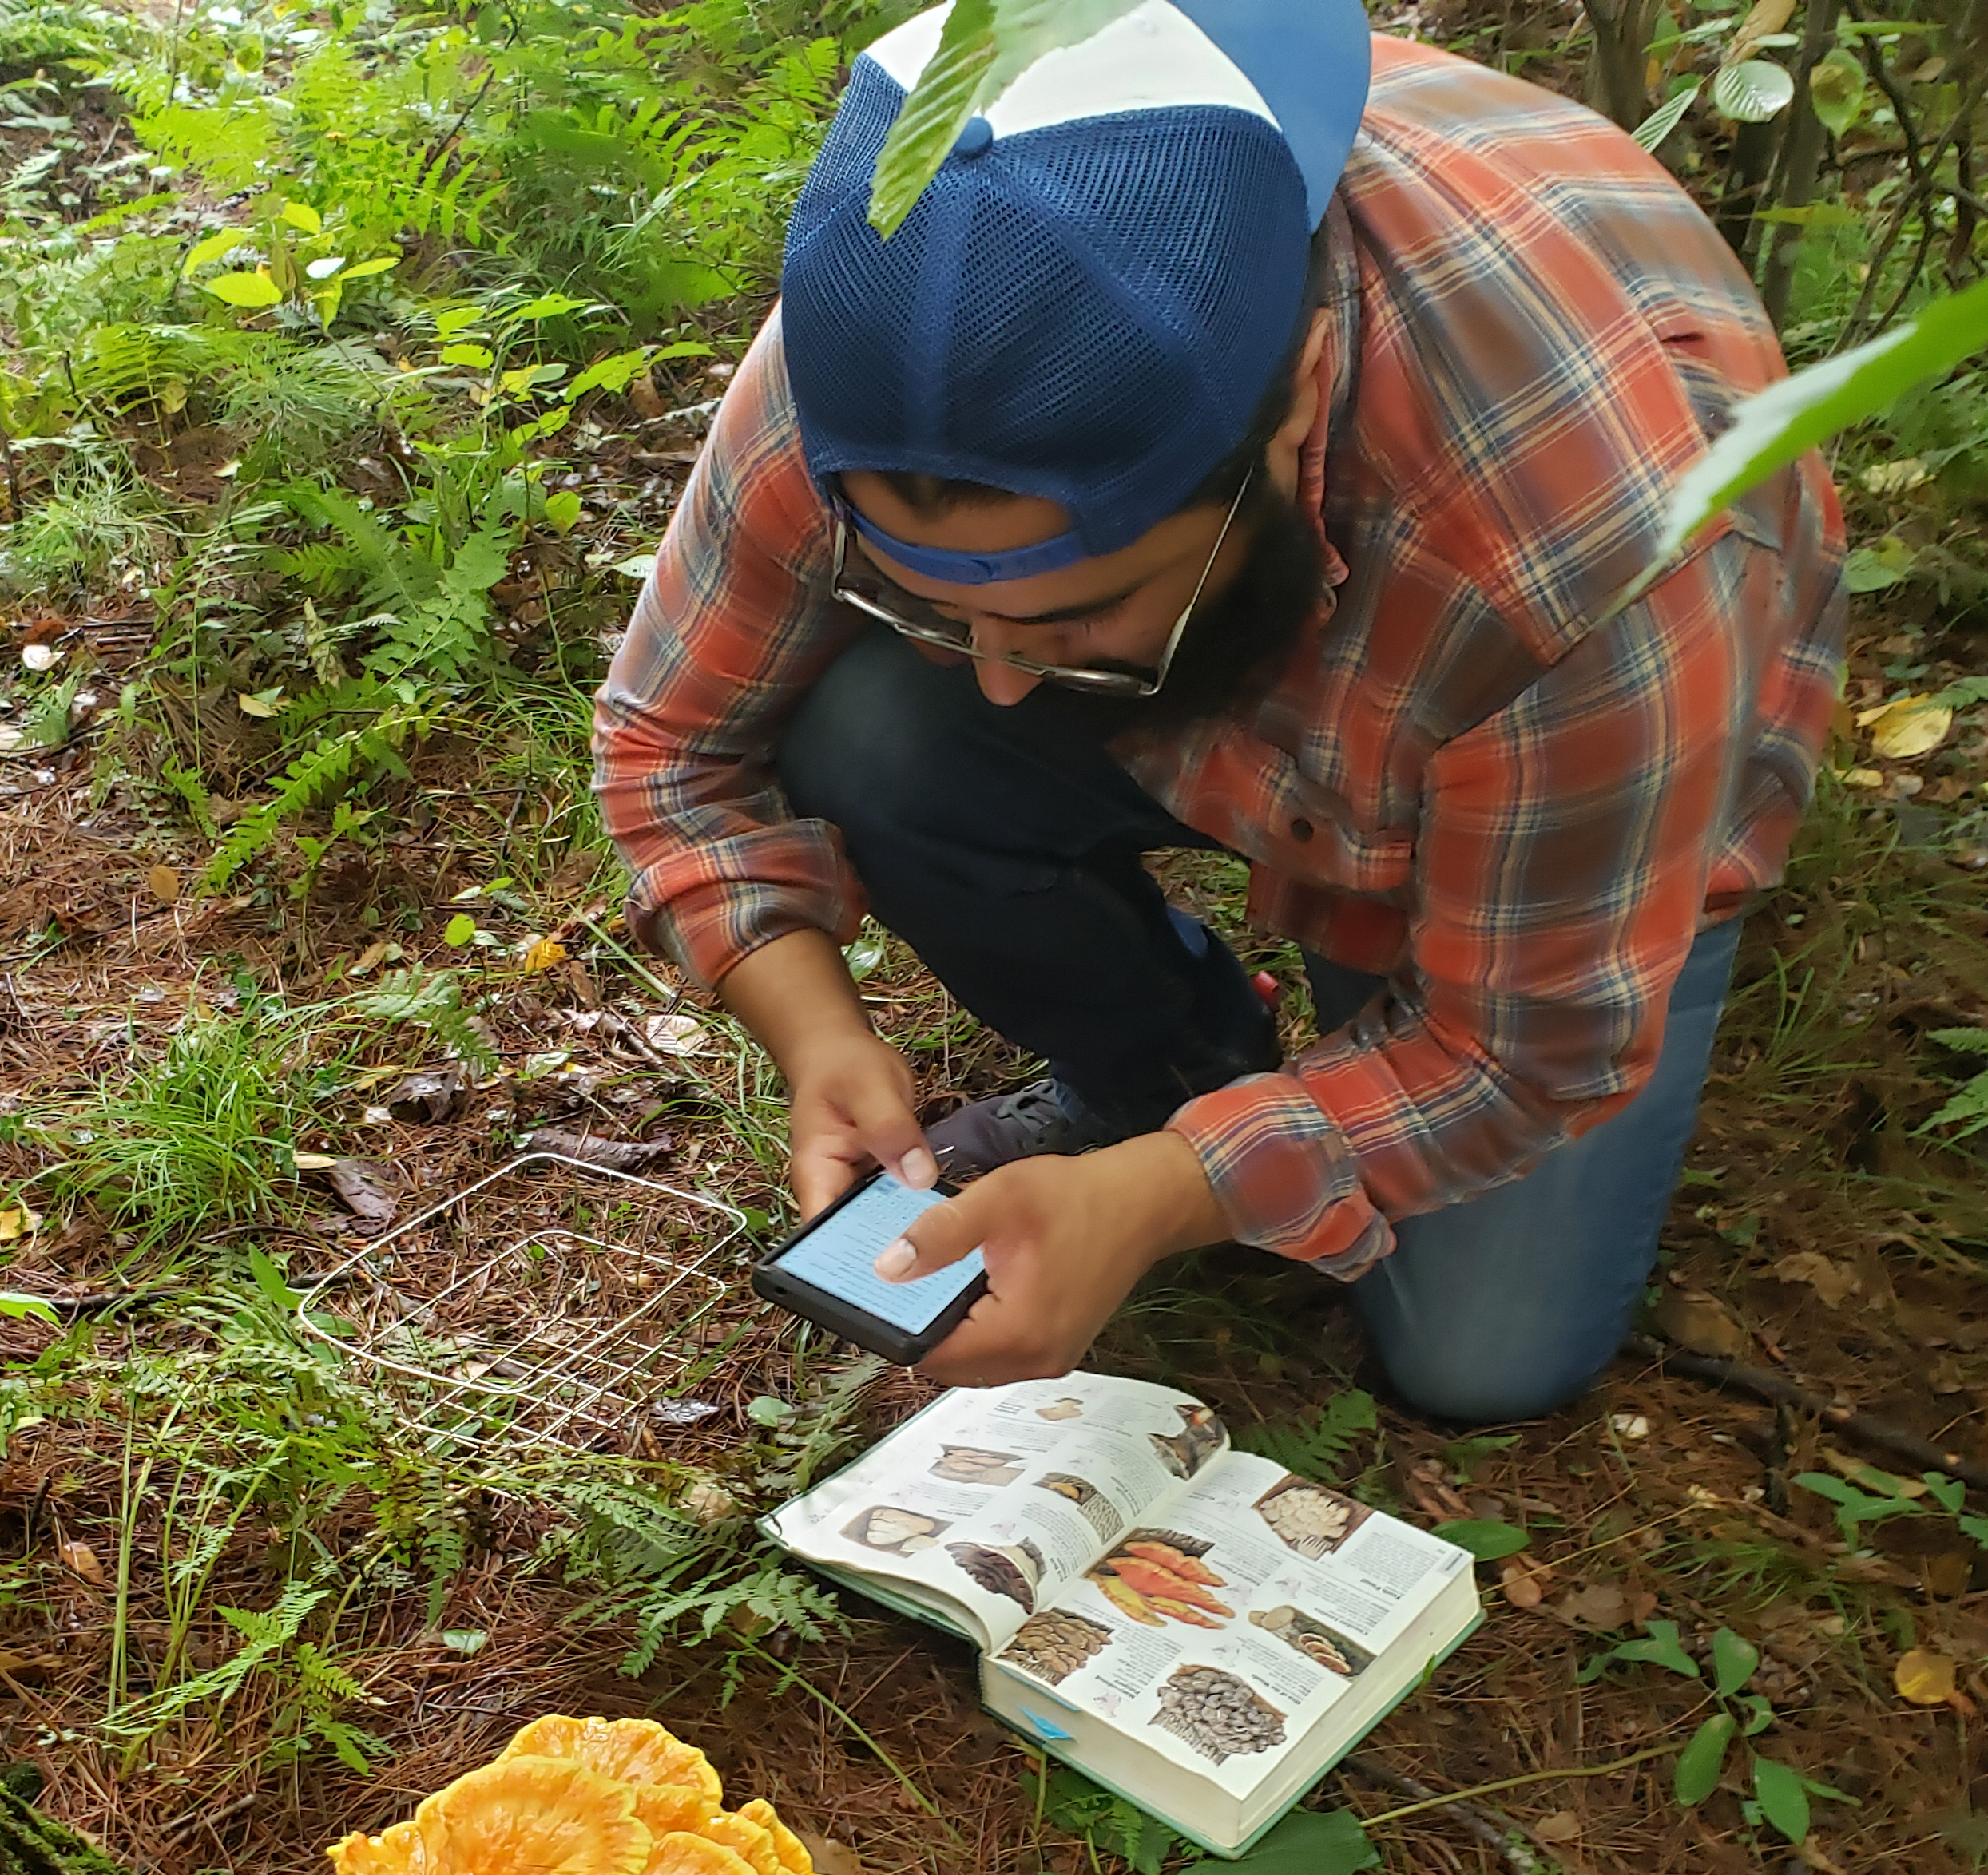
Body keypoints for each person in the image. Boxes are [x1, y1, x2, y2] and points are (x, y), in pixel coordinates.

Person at [596, 0, 1845, 1421]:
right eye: (935, 606)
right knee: (878, 733)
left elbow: (1521, 1053)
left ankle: (1258, 1059)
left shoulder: (1588, 559)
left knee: (1481, 1357)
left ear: (1299, 403)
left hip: (1589, 736)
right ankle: (1168, 1062)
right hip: (1367, 640)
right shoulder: (889, 363)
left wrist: (1161, 1201)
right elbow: (667, 740)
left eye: (1079, 612)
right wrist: (813, 1028)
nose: (1003, 683)